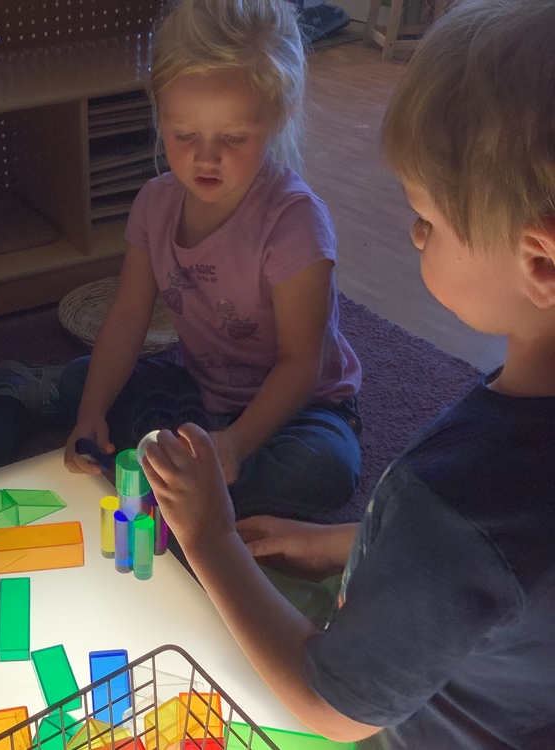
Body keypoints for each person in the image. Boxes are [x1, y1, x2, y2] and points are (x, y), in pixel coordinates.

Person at [142, 0, 555, 745]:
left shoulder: (456, 504)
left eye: (427, 220)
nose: (414, 234)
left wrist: (211, 538)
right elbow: (508, 579)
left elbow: (329, 705)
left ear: (541, 262)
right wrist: (338, 542)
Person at [61, 0, 362, 521]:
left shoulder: (294, 224)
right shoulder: (154, 205)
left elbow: (300, 362)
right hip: (201, 395)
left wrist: (236, 445)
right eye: (184, 135)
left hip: (303, 408)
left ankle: (196, 480)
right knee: (82, 382)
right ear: (159, 112)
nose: (206, 157)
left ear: (278, 114)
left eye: (232, 138)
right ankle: (188, 471)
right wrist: (91, 413)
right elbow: (129, 318)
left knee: (324, 467)